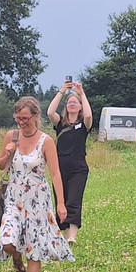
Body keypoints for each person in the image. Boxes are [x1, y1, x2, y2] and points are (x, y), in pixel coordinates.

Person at [0, 95, 73, 272]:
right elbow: (0, 165)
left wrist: (61, 204)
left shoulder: (45, 141)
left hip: (38, 201)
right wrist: (7, 152)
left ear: (36, 116)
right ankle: (16, 258)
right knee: (7, 241)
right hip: (14, 199)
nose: (21, 122)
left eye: (25, 118)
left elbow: (56, 174)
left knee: (34, 248)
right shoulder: (12, 136)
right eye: (18, 118)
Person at [46, 79, 93, 242]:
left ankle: (71, 236)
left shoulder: (84, 124)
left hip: (78, 167)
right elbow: (50, 113)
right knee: (61, 200)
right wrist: (62, 91)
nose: (72, 104)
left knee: (74, 200)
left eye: (75, 102)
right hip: (59, 167)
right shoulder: (60, 123)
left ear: (79, 106)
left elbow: (88, 115)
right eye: (69, 102)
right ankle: (60, 233)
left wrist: (81, 93)